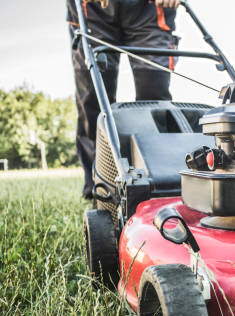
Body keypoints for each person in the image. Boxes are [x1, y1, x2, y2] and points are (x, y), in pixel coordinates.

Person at [67, 0, 181, 199]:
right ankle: (98, 187)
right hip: (93, 11)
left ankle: (160, 182)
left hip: (149, 9)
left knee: (154, 99)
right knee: (93, 98)